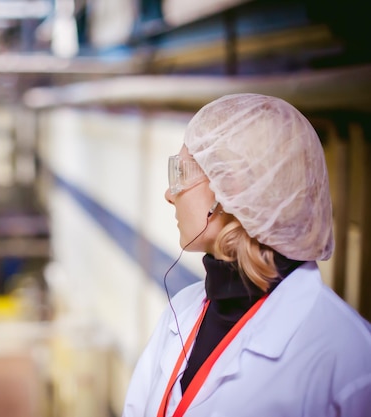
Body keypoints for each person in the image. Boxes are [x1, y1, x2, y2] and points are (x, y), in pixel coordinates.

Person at [122, 93, 371, 417]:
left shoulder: (349, 357)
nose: (170, 194)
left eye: (181, 174)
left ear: (233, 188)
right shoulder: (181, 311)